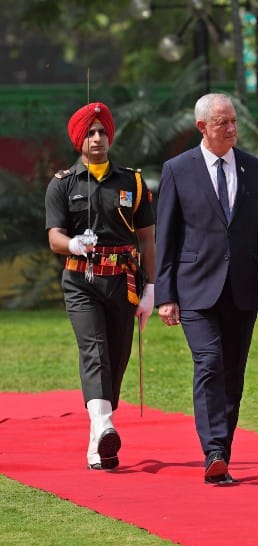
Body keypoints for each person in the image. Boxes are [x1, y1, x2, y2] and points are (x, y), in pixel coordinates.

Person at [154, 92, 258, 484]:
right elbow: (167, 235)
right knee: (208, 362)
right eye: (221, 123)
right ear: (201, 128)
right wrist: (165, 295)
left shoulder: (255, 169)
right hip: (194, 288)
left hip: (243, 289)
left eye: (233, 122)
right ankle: (212, 448)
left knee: (233, 374)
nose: (231, 129)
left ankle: (221, 454)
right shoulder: (178, 170)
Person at [46, 101, 156, 471]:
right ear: (79, 141)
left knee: (117, 358)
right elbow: (55, 237)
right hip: (81, 280)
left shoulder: (132, 182)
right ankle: (106, 424)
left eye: (102, 132)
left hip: (123, 282)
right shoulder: (63, 185)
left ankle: (98, 440)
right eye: (90, 134)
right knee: (94, 351)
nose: (97, 138)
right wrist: (73, 243)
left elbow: (147, 239)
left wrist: (152, 289)